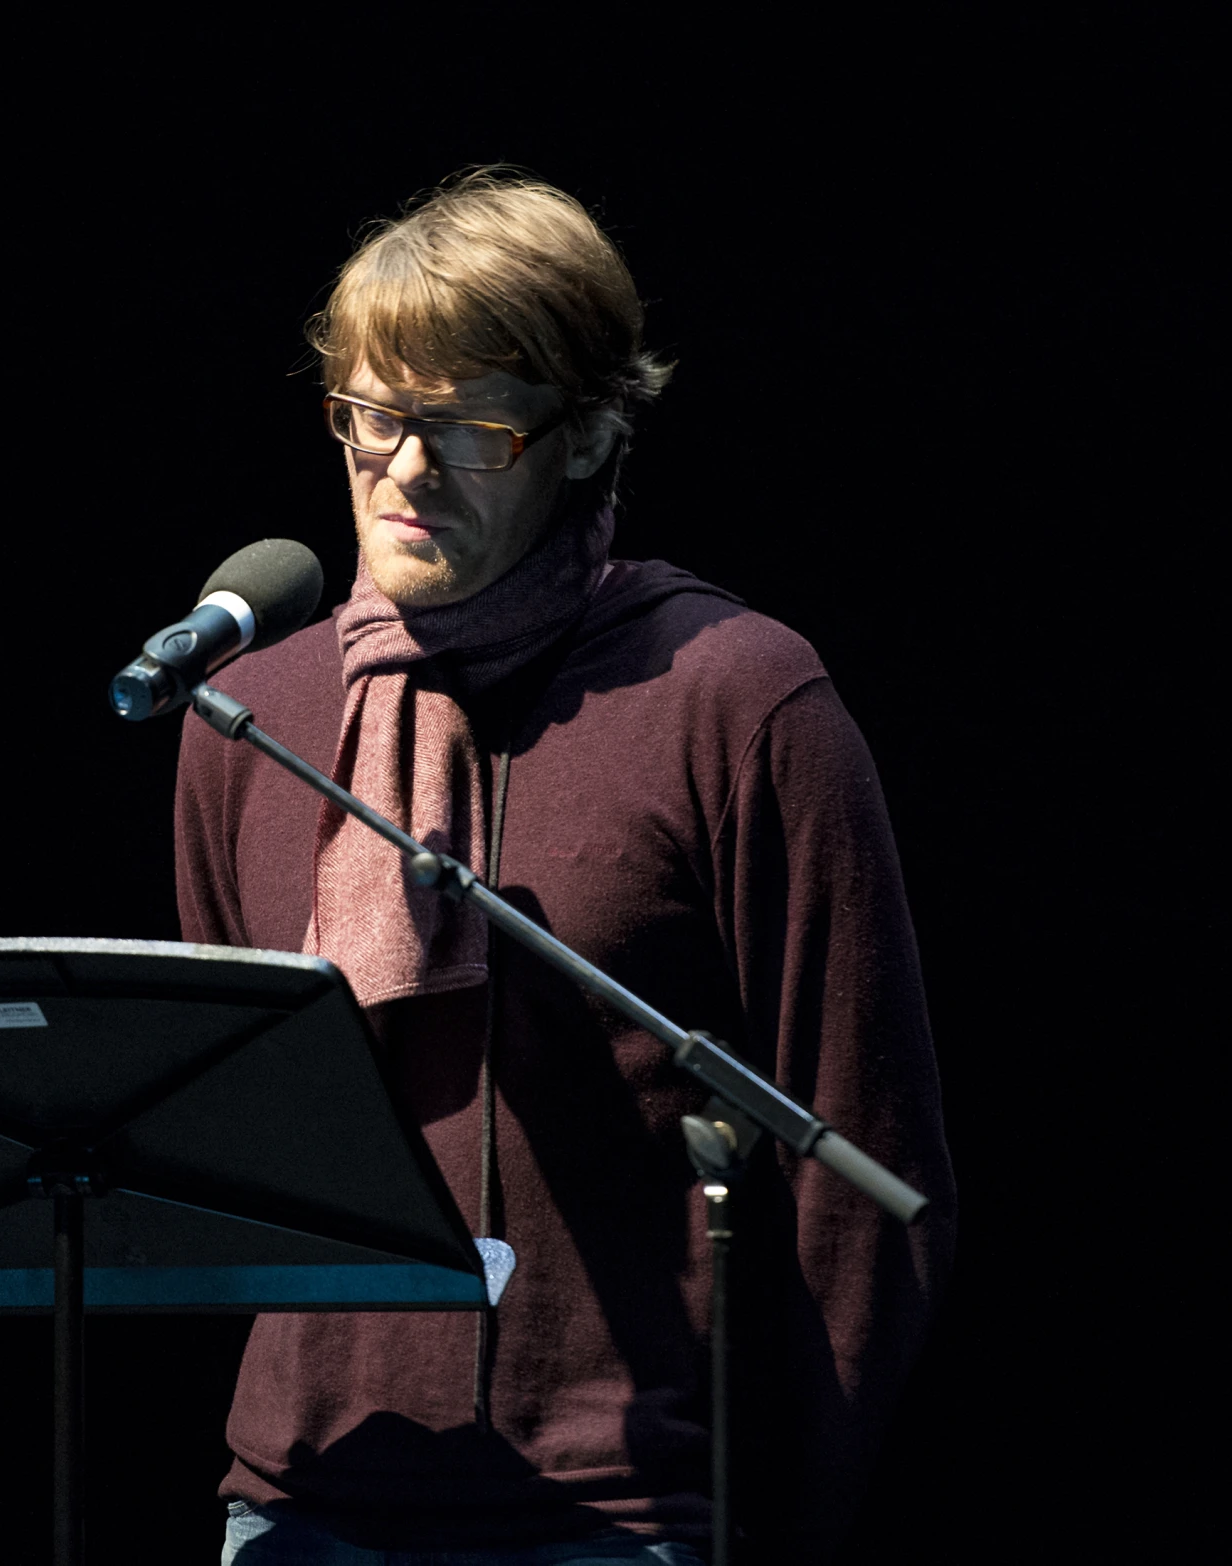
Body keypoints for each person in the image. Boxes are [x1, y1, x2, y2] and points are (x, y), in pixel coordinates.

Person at [174, 170, 955, 1566]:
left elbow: (865, 1171)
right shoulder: (254, 716)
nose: (404, 468)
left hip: (621, 1513)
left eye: (470, 424)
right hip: (300, 1504)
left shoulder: (735, 697)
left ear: (587, 435)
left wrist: (787, 1522)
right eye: (371, 412)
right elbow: (235, 1141)